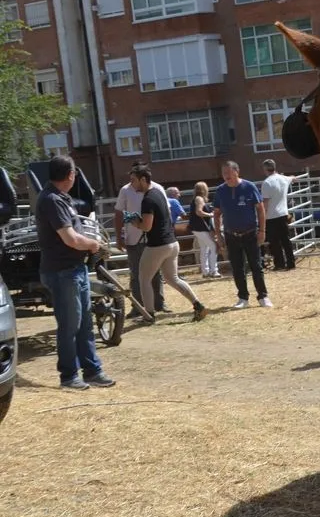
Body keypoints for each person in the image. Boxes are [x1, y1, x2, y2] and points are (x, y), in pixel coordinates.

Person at [36, 155, 115, 390]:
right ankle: (69, 376)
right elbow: (70, 239)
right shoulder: (52, 200)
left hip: (74, 270)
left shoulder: (59, 198)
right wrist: (94, 245)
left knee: (84, 324)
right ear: (70, 175)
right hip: (63, 272)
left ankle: (92, 370)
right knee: (70, 326)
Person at [126, 163, 209, 323]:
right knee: (173, 279)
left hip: (157, 245)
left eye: (133, 180)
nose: (132, 184)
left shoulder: (148, 199)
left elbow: (147, 226)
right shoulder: (158, 193)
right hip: (172, 243)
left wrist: (134, 221)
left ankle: (148, 315)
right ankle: (198, 305)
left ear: (143, 179)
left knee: (144, 279)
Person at [214, 160, 272, 308]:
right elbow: (216, 214)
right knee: (237, 268)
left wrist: (262, 230)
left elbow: (260, 209)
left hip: (250, 233)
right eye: (223, 173)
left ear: (236, 171)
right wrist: (219, 235)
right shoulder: (220, 191)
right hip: (230, 235)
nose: (226, 175)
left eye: (228, 172)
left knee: (256, 266)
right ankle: (243, 298)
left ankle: (263, 296)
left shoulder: (249, 187)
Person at [114, 163, 168, 317]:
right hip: (134, 237)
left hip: (154, 236)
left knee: (156, 272)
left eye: (134, 178)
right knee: (136, 273)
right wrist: (119, 236)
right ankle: (138, 306)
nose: (132, 182)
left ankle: (159, 303)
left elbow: (166, 212)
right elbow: (118, 213)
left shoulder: (157, 189)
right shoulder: (125, 190)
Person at [260, 159, 301, 270]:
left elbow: (266, 203)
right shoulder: (283, 179)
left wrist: (261, 216)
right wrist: (294, 178)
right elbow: (292, 178)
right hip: (283, 214)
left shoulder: (267, 183)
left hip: (271, 216)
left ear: (265, 169)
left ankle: (279, 264)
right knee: (286, 240)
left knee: (275, 242)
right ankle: (291, 263)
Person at [190, 181, 220, 278]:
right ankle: (214, 271)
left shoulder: (196, 198)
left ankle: (205, 271)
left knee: (204, 249)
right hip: (201, 228)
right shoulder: (199, 199)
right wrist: (210, 214)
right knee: (214, 247)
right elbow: (199, 212)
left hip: (196, 228)